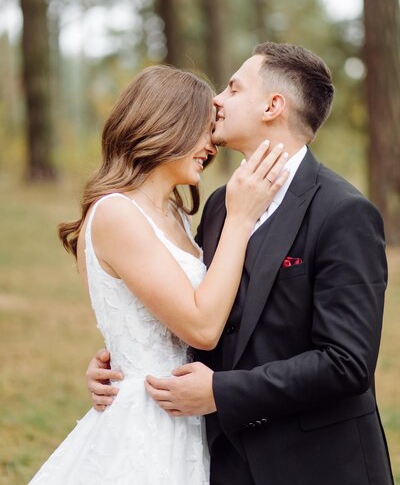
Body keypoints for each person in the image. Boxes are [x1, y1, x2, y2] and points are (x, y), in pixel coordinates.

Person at [87, 43, 394, 485]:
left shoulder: (343, 212)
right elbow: (195, 306)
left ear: (273, 106)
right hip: (223, 461)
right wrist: (123, 364)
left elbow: (347, 363)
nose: (216, 100)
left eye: (233, 87)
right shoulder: (217, 206)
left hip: (318, 464)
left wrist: (220, 392)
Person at [28, 65, 289, 485]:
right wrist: (241, 219)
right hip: (147, 421)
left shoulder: (175, 215)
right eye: (204, 130)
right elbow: (202, 327)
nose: (212, 145)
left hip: (186, 415)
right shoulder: (116, 212)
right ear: (169, 125)